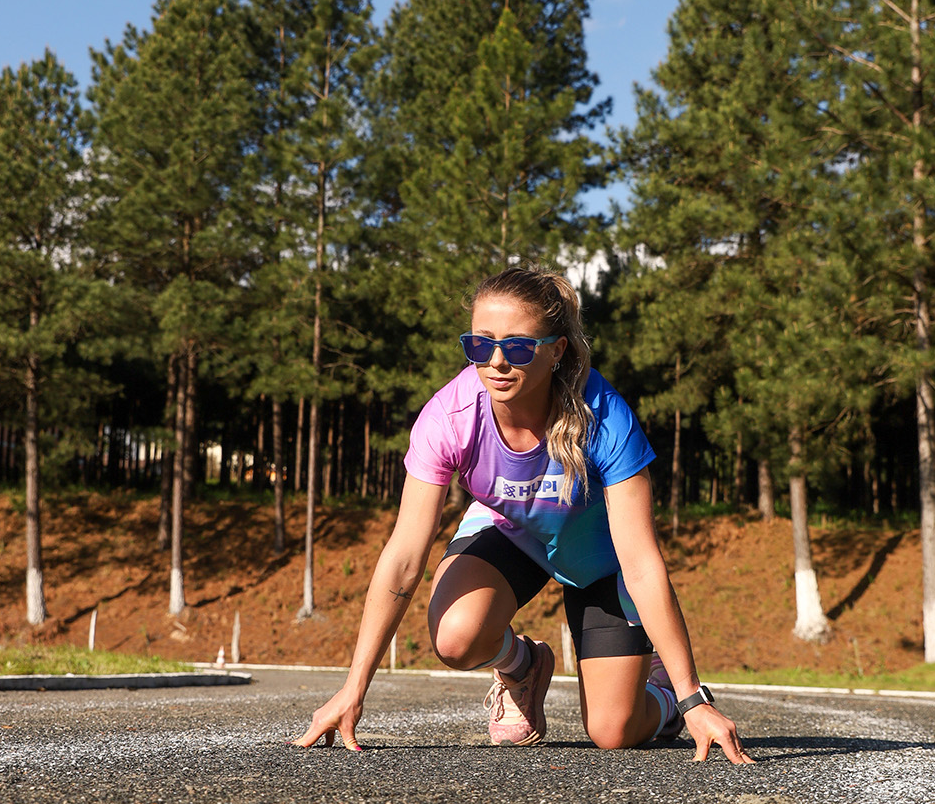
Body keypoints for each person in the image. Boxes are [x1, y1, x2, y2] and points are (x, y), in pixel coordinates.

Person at [294, 266, 752, 763]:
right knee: (455, 636)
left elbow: (641, 562)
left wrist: (691, 699)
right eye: (479, 344)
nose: (495, 362)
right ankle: (523, 666)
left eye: (516, 347)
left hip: (601, 562)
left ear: (556, 351)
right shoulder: (448, 418)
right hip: (514, 533)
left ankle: (659, 692)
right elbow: (404, 557)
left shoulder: (603, 415)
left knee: (613, 731)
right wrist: (353, 689)